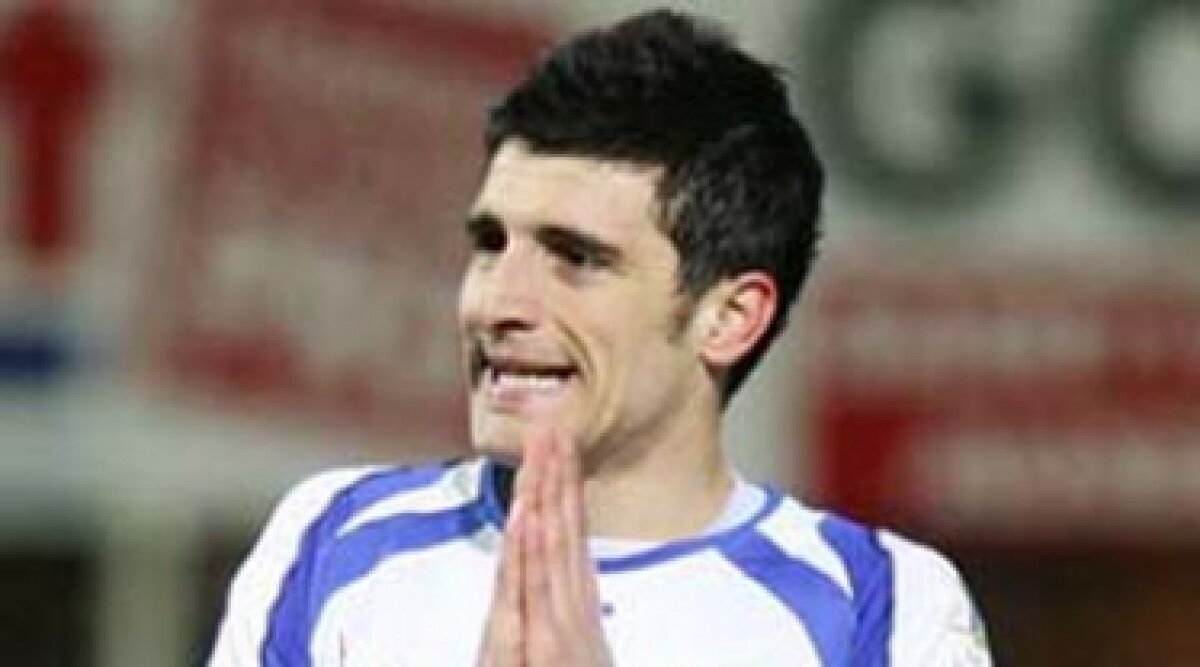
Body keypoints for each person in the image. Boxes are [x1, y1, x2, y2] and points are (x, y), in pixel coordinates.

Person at [208, 9, 993, 666]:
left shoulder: (883, 610)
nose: (497, 302)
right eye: (491, 243)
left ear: (729, 317)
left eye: (576, 258)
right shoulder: (328, 542)